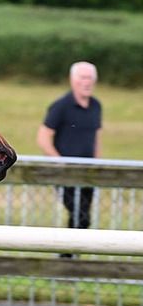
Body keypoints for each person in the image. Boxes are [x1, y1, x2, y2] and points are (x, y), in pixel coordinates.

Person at [36, 61, 103, 234]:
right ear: (73, 80)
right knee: (79, 215)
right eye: (83, 77)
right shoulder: (61, 106)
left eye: (90, 78)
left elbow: (96, 137)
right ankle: (68, 256)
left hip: (88, 173)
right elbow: (43, 138)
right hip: (65, 173)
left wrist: (98, 164)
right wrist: (60, 163)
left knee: (83, 218)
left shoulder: (96, 106)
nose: (87, 82)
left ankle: (70, 256)